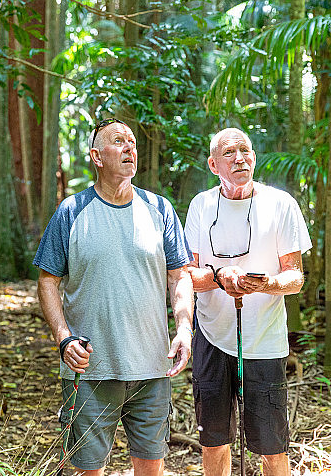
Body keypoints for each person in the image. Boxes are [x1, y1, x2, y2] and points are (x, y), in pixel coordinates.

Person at [34, 118, 194, 476]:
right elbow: (47, 281)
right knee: (90, 468)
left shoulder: (161, 209)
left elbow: (179, 276)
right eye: (118, 141)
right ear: (96, 156)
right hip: (91, 367)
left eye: (133, 143)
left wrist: (184, 329)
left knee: (151, 466)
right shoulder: (72, 212)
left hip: (152, 367)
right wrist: (63, 338)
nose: (129, 148)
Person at [184, 127, 312, 476]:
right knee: (213, 440)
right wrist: (221, 277)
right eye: (229, 153)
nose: (240, 158)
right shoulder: (201, 205)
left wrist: (263, 284)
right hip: (211, 338)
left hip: (265, 341)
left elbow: (295, 278)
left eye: (246, 150)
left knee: (272, 445)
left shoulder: (280, 204)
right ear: (213, 164)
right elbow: (187, 276)